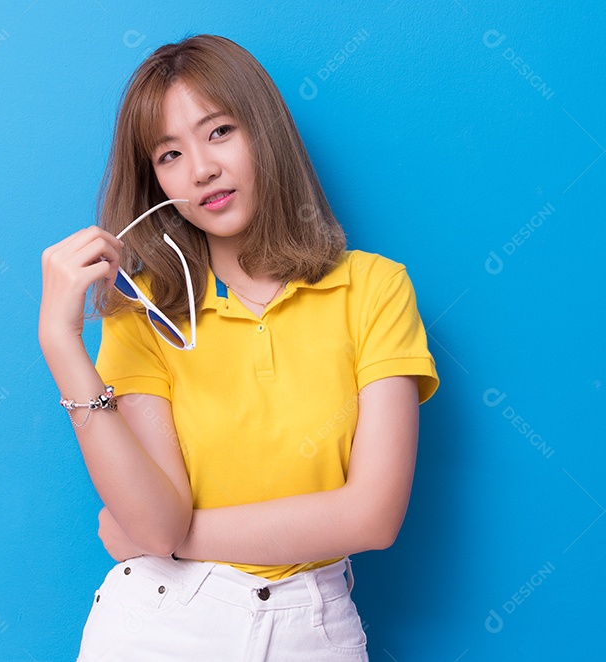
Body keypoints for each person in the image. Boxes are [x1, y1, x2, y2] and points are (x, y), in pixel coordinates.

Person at [38, 34, 439, 661]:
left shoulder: (373, 289)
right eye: (169, 153)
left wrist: (160, 536)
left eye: (219, 131)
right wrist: (61, 343)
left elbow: (373, 517)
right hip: (159, 626)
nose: (200, 169)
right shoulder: (146, 314)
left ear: (265, 131)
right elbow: (156, 521)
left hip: (317, 629)